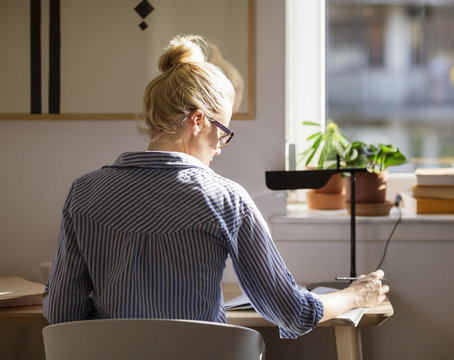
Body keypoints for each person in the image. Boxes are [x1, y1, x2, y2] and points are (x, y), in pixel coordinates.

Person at [42, 34, 389, 339]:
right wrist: (357, 295)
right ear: (197, 121)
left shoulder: (84, 192)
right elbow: (292, 312)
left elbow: (61, 314)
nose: (222, 145)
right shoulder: (226, 199)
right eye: (223, 131)